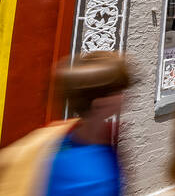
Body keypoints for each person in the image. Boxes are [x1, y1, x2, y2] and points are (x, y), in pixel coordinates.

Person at [0, 51, 131, 195]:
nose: (123, 96)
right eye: (118, 91)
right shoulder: (87, 174)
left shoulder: (72, 137)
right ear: (99, 104)